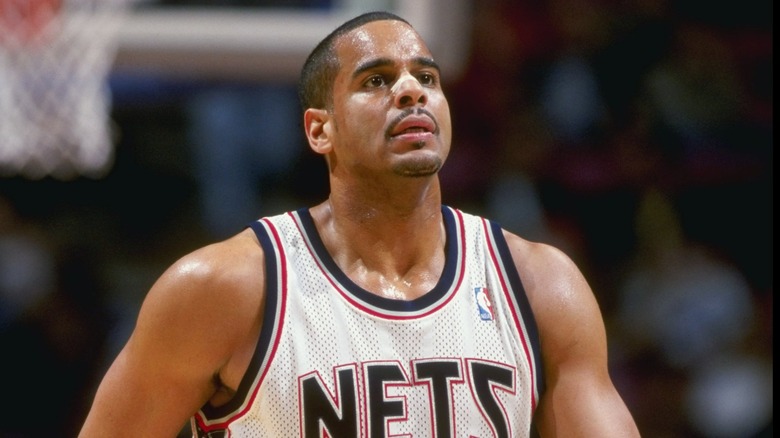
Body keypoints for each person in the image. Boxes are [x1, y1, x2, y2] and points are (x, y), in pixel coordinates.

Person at [78, 11, 641, 437]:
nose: (411, 89)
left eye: (427, 76)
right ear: (320, 131)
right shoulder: (224, 288)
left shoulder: (541, 285)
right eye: (375, 80)